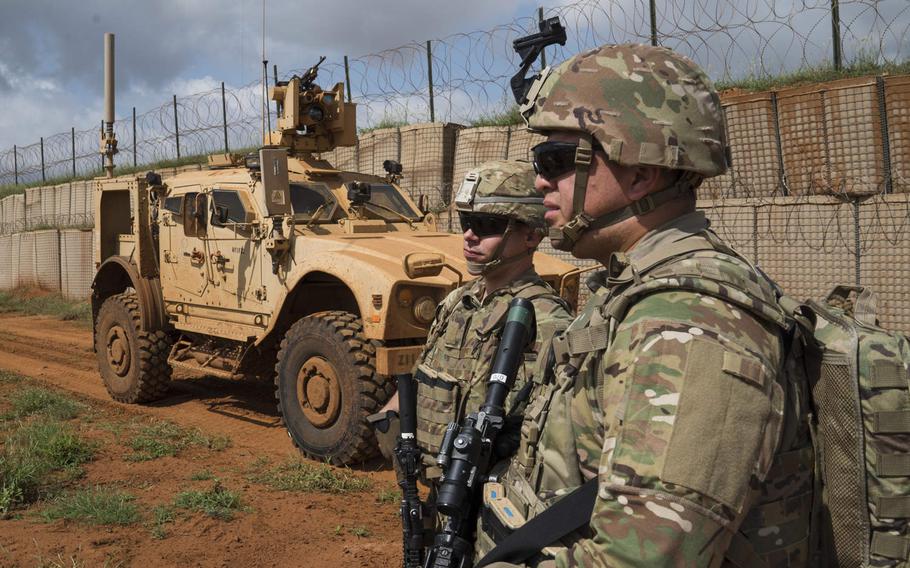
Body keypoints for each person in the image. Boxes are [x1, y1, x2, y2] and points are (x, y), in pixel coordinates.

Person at [475, 44, 813, 567]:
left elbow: (639, 558)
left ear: (641, 173)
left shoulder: (690, 321)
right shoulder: (632, 289)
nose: (539, 179)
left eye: (556, 160)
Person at [376, 160, 572, 483]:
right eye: (466, 220)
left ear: (531, 236)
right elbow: (423, 376)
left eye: (486, 224)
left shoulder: (548, 321)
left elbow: (553, 441)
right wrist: (390, 419)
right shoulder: (458, 302)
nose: (469, 235)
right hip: (438, 494)